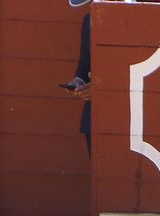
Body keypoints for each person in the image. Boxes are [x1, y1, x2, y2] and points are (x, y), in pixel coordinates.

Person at [64, 0, 93, 154]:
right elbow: (84, 65)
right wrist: (78, 82)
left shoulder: (136, 16)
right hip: (94, 114)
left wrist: (100, 87)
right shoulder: (89, 20)